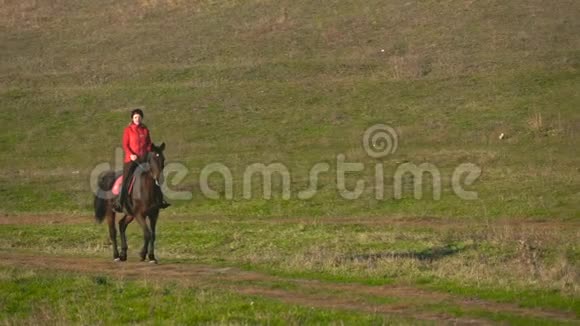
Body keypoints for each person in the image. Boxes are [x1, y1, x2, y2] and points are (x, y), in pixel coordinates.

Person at [113, 109, 169, 213]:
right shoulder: (128, 130)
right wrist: (131, 155)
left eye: (139, 117)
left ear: (141, 118)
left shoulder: (145, 130)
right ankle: (120, 202)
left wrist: (153, 151)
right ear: (132, 119)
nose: (137, 119)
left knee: (155, 175)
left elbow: (148, 144)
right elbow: (125, 145)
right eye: (135, 117)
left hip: (144, 159)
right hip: (131, 160)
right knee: (126, 180)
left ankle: (160, 200)